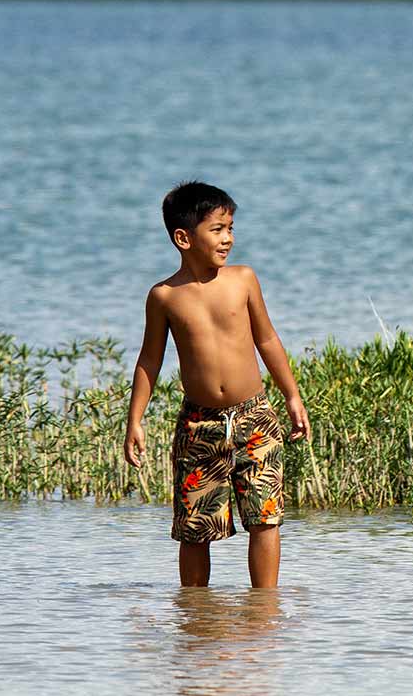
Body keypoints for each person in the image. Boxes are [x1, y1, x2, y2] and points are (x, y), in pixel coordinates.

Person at [122, 181, 311, 588]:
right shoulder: (164, 297)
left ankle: (264, 610)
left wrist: (292, 396)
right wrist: (135, 420)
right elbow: (149, 360)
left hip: (254, 417)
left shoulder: (243, 280)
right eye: (218, 229)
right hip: (198, 425)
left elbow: (267, 339)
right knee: (195, 528)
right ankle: (195, 616)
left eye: (231, 227)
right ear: (183, 238)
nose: (228, 238)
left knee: (265, 518)